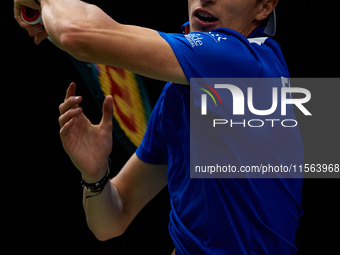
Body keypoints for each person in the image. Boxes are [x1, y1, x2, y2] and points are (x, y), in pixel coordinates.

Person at [14, 0, 304, 254]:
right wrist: (95, 174)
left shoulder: (243, 64)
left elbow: (75, 33)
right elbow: (112, 219)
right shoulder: (179, 95)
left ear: (264, 6)